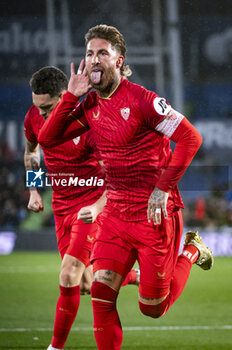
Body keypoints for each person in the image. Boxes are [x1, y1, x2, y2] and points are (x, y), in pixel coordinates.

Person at [38, 25, 214, 350]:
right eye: (90, 53)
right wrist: (70, 97)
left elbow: (191, 137)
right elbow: (47, 139)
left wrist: (163, 188)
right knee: (101, 294)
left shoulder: (143, 101)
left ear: (119, 60)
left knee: (152, 308)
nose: (94, 60)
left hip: (154, 213)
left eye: (102, 53)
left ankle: (191, 251)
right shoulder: (89, 105)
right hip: (116, 214)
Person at [24, 66, 139, 350]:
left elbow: (116, 175)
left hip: (92, 206)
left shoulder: (88, 122)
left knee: (68, 274)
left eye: (48, 107)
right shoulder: (33, 118)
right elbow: (31, 151)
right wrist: (34, 190)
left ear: (66, 96)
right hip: (62, 209)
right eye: (38, 108)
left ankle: (54, 347)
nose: (42, 115)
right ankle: (135, 275)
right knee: (85, 284)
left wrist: (99, 207)